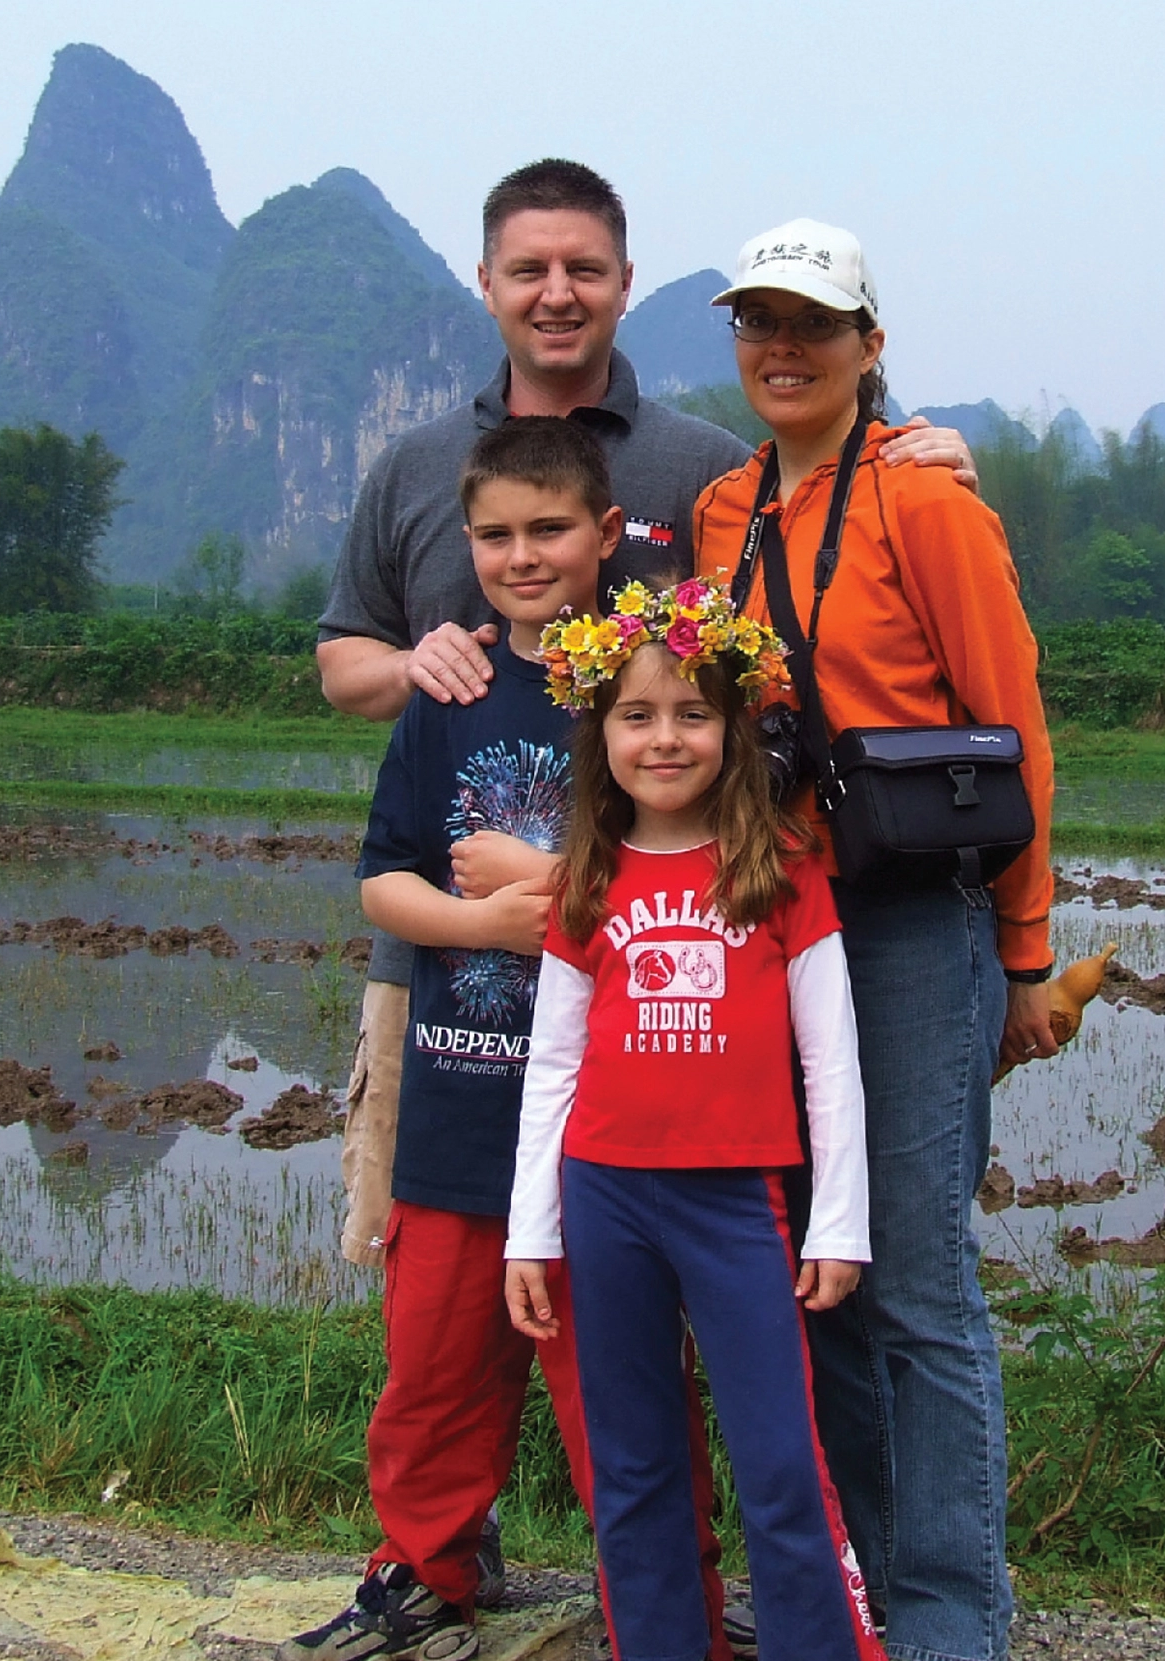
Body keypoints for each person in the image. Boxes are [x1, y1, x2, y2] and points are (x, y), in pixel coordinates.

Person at [316, 159, 975, 1277]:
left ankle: (623, 1454)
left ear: (629, 283)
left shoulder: (706, 470)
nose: (556, 292)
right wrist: (409, 666)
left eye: (584, 268)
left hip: (654, 959)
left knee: (635, 1264)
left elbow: (826, 512)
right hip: (451, 949)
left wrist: (922, 450)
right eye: (529, 269)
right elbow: (342, 658)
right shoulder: (416, 466)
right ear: (485, 283)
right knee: (436, 1265)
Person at [281, 420, 721, 1661]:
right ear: (466, 545)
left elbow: (695, 881)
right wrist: (482, 917)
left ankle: (665, 1589)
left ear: (607, 538)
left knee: (623, 1378)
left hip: (603, 1121)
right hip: (462, 1101)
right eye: (496, 535)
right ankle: (426, 1566)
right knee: (430, 1364)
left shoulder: (646, 695)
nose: (523, 555)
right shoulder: (449, 691)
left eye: (549, 530)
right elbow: (383, 883)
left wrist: (556, 905)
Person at [694, 219, 1056, 1661]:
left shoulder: (924, 497)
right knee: (822, 1267)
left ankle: (955, 1619)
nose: (783, 349)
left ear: (870, 345)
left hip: (912, 923)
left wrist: (1023, 955)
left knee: (913, 1274)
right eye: (757, 323)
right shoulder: (721, 511)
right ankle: (867, 1600)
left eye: (814, 324)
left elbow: (1016, 729)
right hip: (783, 931)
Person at [503, 577, 884, 1661]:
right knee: (631, 1465)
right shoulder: (587, 874)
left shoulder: (786, 870)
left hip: (736, 1201)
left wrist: (838, 1221)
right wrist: (533, 1228)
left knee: (779, 1462)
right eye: (636, 713)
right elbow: (554, 1063)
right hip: (604, 1194)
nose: (664, 738)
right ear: (599, 729)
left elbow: (832, 1059)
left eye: (691, 713)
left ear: (733, 724)